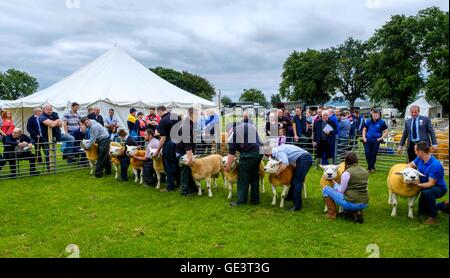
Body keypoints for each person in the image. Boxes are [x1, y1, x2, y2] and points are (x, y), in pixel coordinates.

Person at [408, 142, 447, 225]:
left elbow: (431, 183)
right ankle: (443, 205)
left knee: (427, 192)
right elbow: (409, 165)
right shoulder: (420, 159)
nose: (414, 152)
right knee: (422, 213)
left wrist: (417, 185)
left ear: (421, 152)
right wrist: (411, 174)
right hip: (425, 186)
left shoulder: (435, 165)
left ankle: (433, 217)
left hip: (438, 188)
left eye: (415, 151)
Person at [322, 152, 369, 223]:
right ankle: (357, 212)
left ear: (346, 161)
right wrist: (334, 182)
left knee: (325, 189)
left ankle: (331, 214)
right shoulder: (365, 171)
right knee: (355, 194)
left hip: (351, 202)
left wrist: (334, 185)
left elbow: (341, 190)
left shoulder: (347, 173)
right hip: (364, 202)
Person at [225, 122, 263, 207]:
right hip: (260, 152)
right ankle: (255, 200)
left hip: (249, 155)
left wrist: (227, 167)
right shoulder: (249, 126)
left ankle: (241, 201)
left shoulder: (233, 133)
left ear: (229, 129)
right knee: (254, 176)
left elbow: (231, 153)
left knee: (243, 178)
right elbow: (260, 141)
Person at [265, 144, 313, 211]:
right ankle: (290, 197)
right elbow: (289, 162)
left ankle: (297, 206)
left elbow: (284, 164)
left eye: (267, 155)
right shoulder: (278, 150)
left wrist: (277, 173)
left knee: (297, 181)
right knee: (294, 180)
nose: (268, 156)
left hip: (304, 159)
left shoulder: (277, 151)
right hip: (303, 158)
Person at [153, 106, 180, 192]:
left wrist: (157, 150)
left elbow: (163, 138)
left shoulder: (162, 121)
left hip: (169, 144)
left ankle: (170, 186)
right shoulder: (176, 116)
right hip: (179, 143)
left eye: (158, 114)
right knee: (178, 164)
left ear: (160, 111)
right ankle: (179, 183)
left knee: (169, 166)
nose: (158, 115)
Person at [176, 108, 200, 196]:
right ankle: (184, 190)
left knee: (190, 170)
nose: (198, 117)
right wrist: (190, 157)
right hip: (183, 152)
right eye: (197, 115)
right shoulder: (187, 126)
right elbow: (187, 143)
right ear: (193, 115)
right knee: (185, 170)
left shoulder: (191, 124)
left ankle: (192, 187)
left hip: (187, 151)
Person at [362, 109, 388, 173]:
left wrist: (381, 138)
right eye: (374, 115)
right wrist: (364, 137)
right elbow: (364, 129)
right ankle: (370, 167)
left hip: (376, 140)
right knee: (367, 153)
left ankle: (371, 168)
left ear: (379, 115)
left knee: (373, 154)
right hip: (368, 139)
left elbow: (386, 131)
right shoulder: (368, 121)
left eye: (376, 115)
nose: (375, 116)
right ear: (372, 115)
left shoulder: (382, 122)